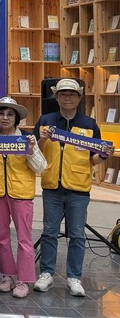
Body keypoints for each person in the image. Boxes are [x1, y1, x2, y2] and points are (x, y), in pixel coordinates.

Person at [33, 78, 114, 297]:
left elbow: (94, 159)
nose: (67, 97)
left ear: (79, 98)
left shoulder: (89, 124)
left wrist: (104, 155)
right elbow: (35, 153)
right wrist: (41, 139)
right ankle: (46, 273)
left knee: (77, 234)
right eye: (63, 94)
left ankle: (74, 277)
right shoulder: (46, 120)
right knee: (49, 232)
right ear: (56, 97)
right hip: (52, 186)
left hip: (79, 187)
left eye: (71, 94)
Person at [0, 97, 46, 299]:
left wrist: (31, 150)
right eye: (1, 114)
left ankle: (24, 280)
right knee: (1, 238)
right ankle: (7, 276)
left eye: (10, 114)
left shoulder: (27, 138)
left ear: (16, 118)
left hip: (21, 194)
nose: (5, 117)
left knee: (24, 239)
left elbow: (40, 167)